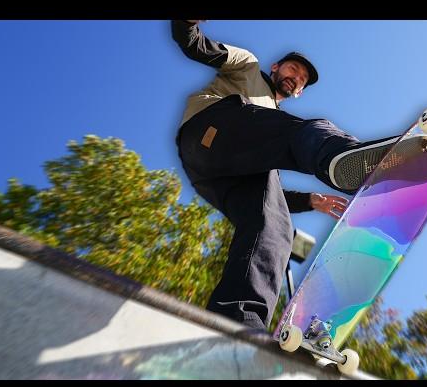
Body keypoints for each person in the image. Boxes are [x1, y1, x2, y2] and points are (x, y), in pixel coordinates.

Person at [172, 20, 407, 330]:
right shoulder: (248, 66)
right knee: (306, 132)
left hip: (220, 176)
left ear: (298, 92)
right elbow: (194, 44)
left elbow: (273, 194)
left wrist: (311, 200)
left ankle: (237, 325)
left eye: (302, 80)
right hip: (209, 133)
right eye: (293, 70)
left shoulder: (274, 128)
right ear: (275, 68)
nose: (296, 78)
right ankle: (342, 156)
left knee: (274, 227)